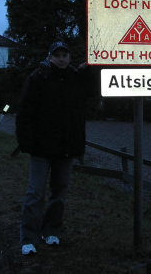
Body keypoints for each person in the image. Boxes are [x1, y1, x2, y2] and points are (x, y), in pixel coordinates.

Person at [16, 41, 91, 255]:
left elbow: (93, 92)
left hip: (66, 149)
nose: (61, 58)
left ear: (69, 58)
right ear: (49, 57)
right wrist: (25, 142)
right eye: (56, 55)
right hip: (41, 149)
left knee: (59, 193)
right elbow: (24, 111)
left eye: (64, 55)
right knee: (35, 193)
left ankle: (51, 231)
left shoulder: (76, 78)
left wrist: (89, 72)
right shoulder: (37, 78)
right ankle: (28, 238)